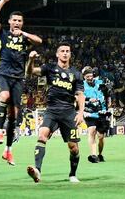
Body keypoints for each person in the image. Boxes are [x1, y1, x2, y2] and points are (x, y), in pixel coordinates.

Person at [0, 0, 43, 164]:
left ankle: (8, 150)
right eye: (15, 20)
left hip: (18, 78)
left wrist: (25, 35)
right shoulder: (2, 34)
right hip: (3, 74)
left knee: (14, 114)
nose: (17, 23)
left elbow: (39, 41)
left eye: (20, 21)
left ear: (22, 23)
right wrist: (3, 1)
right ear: (10, 22)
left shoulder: (25, 39)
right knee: (4, 96)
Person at [25, 41, 85, 184]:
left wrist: (81, 112)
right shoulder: (50, 68)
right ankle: (37, 170)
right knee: (42, 135)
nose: (65, 53)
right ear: (57, 54)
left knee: (74, 148)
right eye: (62, 51)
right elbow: (30, 72)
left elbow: (80, 94)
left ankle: (72, 174)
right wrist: (31, 60)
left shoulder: (76, 74)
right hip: (51, 110)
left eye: (67, 51)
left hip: (69, 112)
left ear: (70, 54)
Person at [82, 66, 111, 163]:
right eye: (87, 77)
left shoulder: (100, 83)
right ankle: (93, 155)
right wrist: (88, 100)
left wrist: (108, 103)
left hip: (101, 112)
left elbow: (107, 94)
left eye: (91, 76)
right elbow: (78, 98)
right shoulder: (81, 86)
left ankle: (100, 154)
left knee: (101, 137)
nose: (90, 78)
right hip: (89, 112)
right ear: (84, 77)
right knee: (92, 131)